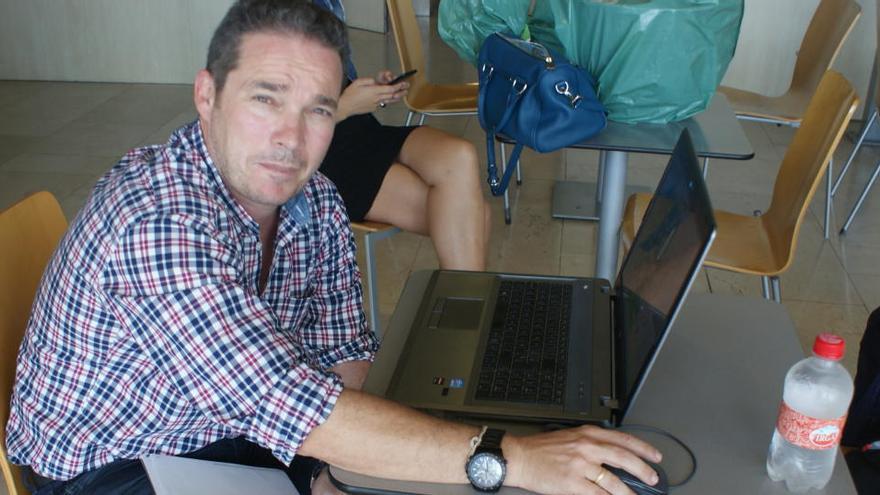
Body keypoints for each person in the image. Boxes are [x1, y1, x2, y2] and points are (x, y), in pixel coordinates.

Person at [5, 1, 662, 494]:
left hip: (219, 429)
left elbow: (344, 362)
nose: (290, 137)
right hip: (110, 467)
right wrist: (506, 454)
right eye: (266, 99)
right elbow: (290, 404)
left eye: (319, 109)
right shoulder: (157, 223)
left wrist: (435, 435)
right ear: (207, 96)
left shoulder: (313, 200)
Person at [313, 0, 491, 271]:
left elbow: (337, 80)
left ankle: (462, 307)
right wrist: (347, 104)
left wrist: (372, 90)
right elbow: (281, 123)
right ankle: (465, 308)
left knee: (460, 154)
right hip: (321, 155)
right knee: (479, 215)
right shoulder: (268, 17)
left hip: (357, 127)